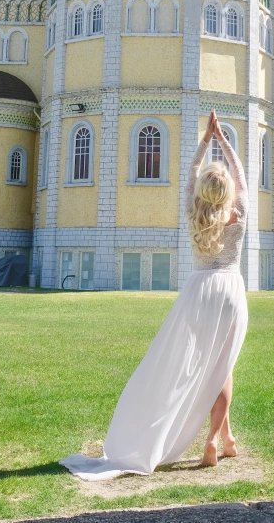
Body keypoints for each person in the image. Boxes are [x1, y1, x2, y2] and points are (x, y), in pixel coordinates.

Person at [61, 109, 249, 479]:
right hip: (229, 289)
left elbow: (190, 174)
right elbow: (241, 176)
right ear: (226, 192)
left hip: (199, 293)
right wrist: (223, 139)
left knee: (204, 366)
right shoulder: (238, 214)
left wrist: (204, 141)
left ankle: (226, 438)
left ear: (202, 191)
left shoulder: (193, 212)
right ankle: (214, 439)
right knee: (223, 367)